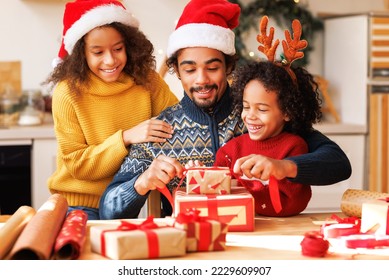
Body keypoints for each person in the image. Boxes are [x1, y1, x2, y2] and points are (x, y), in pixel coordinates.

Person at [99, 0, 351, 220]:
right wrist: (141, 183)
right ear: (177, 70)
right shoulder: (161, 131)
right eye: (189, 69)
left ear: (229, 66)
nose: (201, 80)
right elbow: (108, 210)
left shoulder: (257, 116)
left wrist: (285, 166)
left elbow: (338, 163)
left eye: (212, 67)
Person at [44, 0, 178, 220]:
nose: (110, 60)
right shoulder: (67, 92)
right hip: (80, 207)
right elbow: (78, 165)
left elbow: (177, 123)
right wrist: (125, 138)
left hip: (129, 203)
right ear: (81, 54)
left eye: (118, 49)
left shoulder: (147, 81)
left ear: (129, 45)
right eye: (98, 52)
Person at [214, 16, 322, 217]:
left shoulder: (294, 147)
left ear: (288, 111)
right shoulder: (231, 149)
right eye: (246, 107)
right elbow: (214, 192)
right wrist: (198, 175)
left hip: (281, 230)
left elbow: (292, 203)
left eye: (262, 109)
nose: (250, 116)